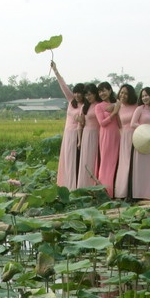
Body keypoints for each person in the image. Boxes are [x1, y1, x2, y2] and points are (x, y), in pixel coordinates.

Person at [50, 61, 85, 189]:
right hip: (67, 134)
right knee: (66, 160)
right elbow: (63, 85)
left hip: (77, 135)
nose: (77, 95)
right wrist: (56, 71)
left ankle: (74, 185)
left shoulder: (85, 106)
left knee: (75, 160)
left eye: (80, 93)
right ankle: (65, 184)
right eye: (75, 92)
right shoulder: (71, 101)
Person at [129, 86, 150, 201]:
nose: (144, 98)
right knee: (139, 168)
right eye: (142, 96)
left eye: (146, 95)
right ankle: (138, 193)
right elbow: (132, 123)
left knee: (149, 168)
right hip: (140, 142)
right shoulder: (140, 109)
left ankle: (148, 193)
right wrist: (145, 129)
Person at [91, 82, 120, 197]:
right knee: (106, 163)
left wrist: (115, 107)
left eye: (104, 90)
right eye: (100, 91)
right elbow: (102, 123)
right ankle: (105, 191)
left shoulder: (116, 104)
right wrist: (114, 113)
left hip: (117, 136)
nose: (102, 93)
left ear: (110, 90)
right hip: (106, 136)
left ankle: (116, 189)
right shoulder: (98, 106)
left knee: (116, 163)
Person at [111, 83, 138, 200]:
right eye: (121, 92)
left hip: (137, 136)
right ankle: (122, 192)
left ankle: (135, 191)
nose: (123, 95)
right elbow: (118, 124)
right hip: (124, 137)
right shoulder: (118, 107)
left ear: (130, 95)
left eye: (126, 93)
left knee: (135, 163)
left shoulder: (137, 106)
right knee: (124, 163)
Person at [77, 84, 101, 189]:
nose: (88, 97)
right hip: (86, 134)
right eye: (86, 95)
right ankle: (84, 186)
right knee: (85, 161)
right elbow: (81, 124)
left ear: (95, 94)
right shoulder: (84, 107)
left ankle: (94, 185)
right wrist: (79, 140)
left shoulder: (99, 105)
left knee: (94, 160)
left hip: (97, 134)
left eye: (90, 94)